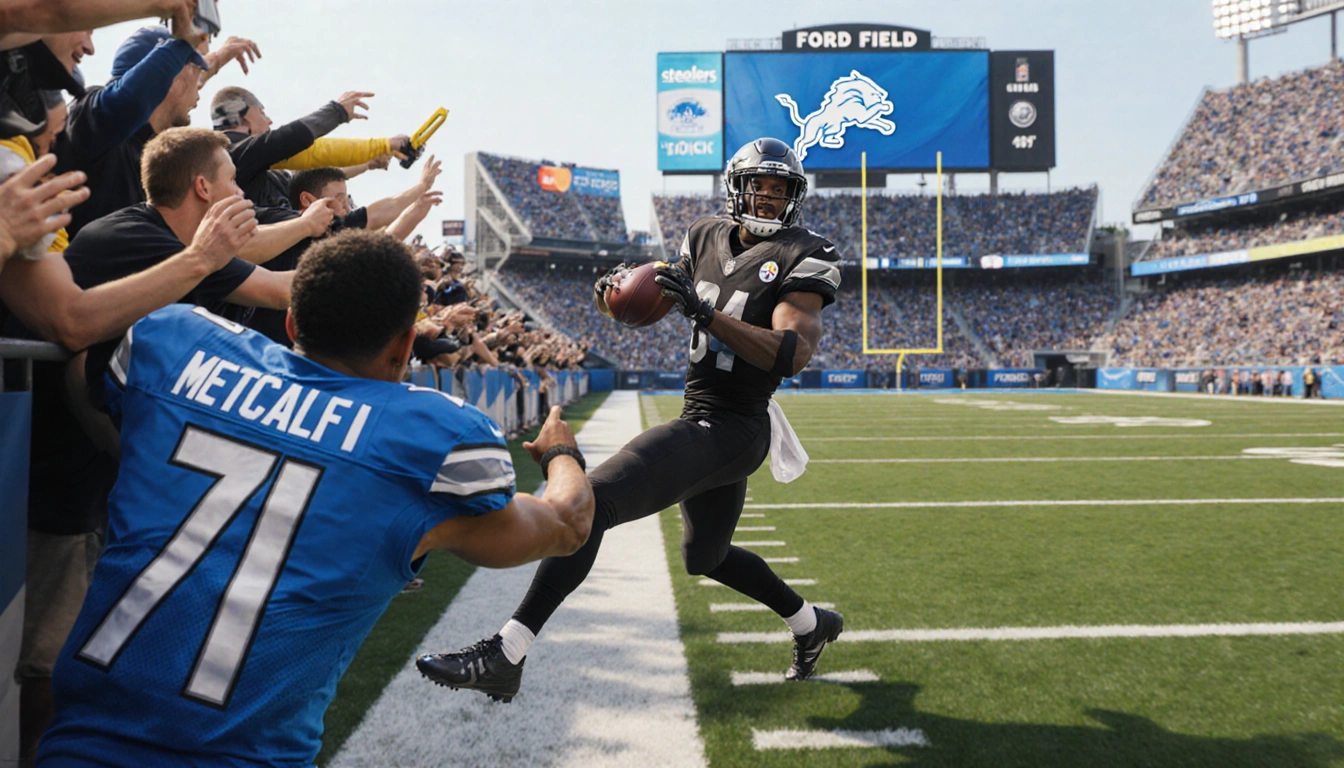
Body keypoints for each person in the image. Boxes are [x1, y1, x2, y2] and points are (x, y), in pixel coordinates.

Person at [37, 230, 595, 766]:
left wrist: (140, 456)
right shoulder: (426, 440)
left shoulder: (176, 339)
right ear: (406, 346)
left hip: (78, 744)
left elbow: (78, 378)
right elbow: (567, 523)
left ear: (291, 321)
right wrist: (559, 454)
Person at [418, 137, 844, 701]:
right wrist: (615, 296)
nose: (766, 198)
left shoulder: (806, 253)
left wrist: (706, 313)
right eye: (758, 186)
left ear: (794, 196)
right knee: (705, 556)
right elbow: (660, 299)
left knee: (590, 503)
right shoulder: (704, 234)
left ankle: (507, 652)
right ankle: (813, 625)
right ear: (736, 189)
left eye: (779, 189)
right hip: (704, 412)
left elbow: (791, 353)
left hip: (737, 424)